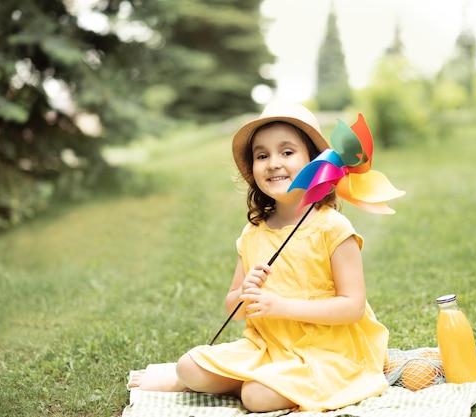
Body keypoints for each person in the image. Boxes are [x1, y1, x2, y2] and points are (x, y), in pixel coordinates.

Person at [127, 101, 390, 412]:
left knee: (256, 397)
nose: (273, 163)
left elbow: (352, 307)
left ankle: (251, 384)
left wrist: (281, 306)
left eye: (287, 152)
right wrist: (244, 292)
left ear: (317, 164)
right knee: (187, 366)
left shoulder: (332, 227)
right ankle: (209, 379)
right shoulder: (253, 234)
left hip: (328, 352)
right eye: (262, 155)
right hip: (266, 348)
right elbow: (234, 309)